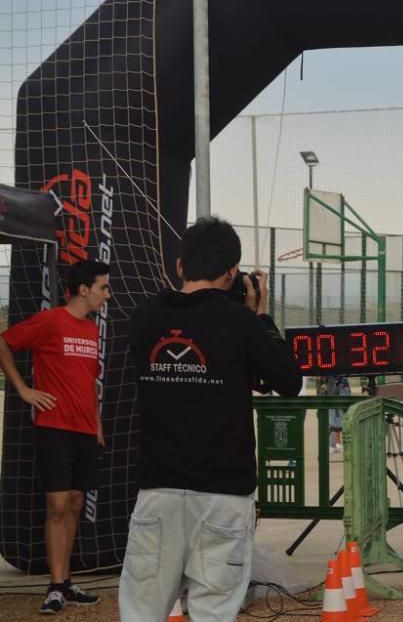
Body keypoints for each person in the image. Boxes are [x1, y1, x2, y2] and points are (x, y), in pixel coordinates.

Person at [119, 217, 302, 622]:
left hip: (158, 489)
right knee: (213, 611)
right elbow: (288, 380)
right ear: (233, 271)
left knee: (141, 610)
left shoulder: (144, 316)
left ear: (180, 265)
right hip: (223, 491)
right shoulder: (240, 322)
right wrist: (260, 317)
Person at [0, 260, 110, 614]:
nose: (107, 295)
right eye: (103, 288)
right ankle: (55, 585)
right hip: (55, 428)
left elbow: (88, 381)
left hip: (84, 430)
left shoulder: (93, 330)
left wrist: (97, 426)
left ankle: (65, 581)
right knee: (58, 505)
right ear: (83, 290)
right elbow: (4, 343)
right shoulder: (50, 321)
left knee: (76, 502)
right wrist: (23, 390)